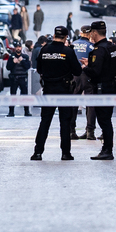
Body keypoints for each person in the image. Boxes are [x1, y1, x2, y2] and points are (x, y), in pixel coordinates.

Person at [31, 26, 83, 161]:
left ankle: (37, 152)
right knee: (65, 123)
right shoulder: (68, 51)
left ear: (54, 36)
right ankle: (65, 153)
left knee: (45, 122)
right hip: (64, 91)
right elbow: (77, 71)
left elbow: (39, 69)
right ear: (66, 37)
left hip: (48, 90)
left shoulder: (44, 50)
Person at [82, 21, 116, 160]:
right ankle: (107, 148)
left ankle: (107, 150)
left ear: (94, 33)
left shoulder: (99, 50)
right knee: (107, 119)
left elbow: (96, 72)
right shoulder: (112, 47)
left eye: (91, 32)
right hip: (111, 86)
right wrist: (90, 63)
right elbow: (109, 65)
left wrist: (86, 68)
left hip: (101, 88)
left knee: (104, 120)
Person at [71, 25, 96, 140]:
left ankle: (71, 130)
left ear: (81, 33)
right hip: (87, 75)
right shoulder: (91, 46)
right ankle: (90, 131)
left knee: (73, 103)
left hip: (74, 75)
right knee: (90, 104)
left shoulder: (73, 44)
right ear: (90, 33)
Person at [6, 45, 32, 117]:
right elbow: (8, 67)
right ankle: (11, 112)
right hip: (14, 78)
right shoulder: (11, 57)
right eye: (17, 47)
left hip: (23, 77)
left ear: (21, 48)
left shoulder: (25, 57)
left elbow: (28, 66)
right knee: (13, 95)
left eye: (19, 47)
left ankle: (26, 111)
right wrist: (13, 62)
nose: (18, 49)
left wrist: (22, 61)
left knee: (24, 95)